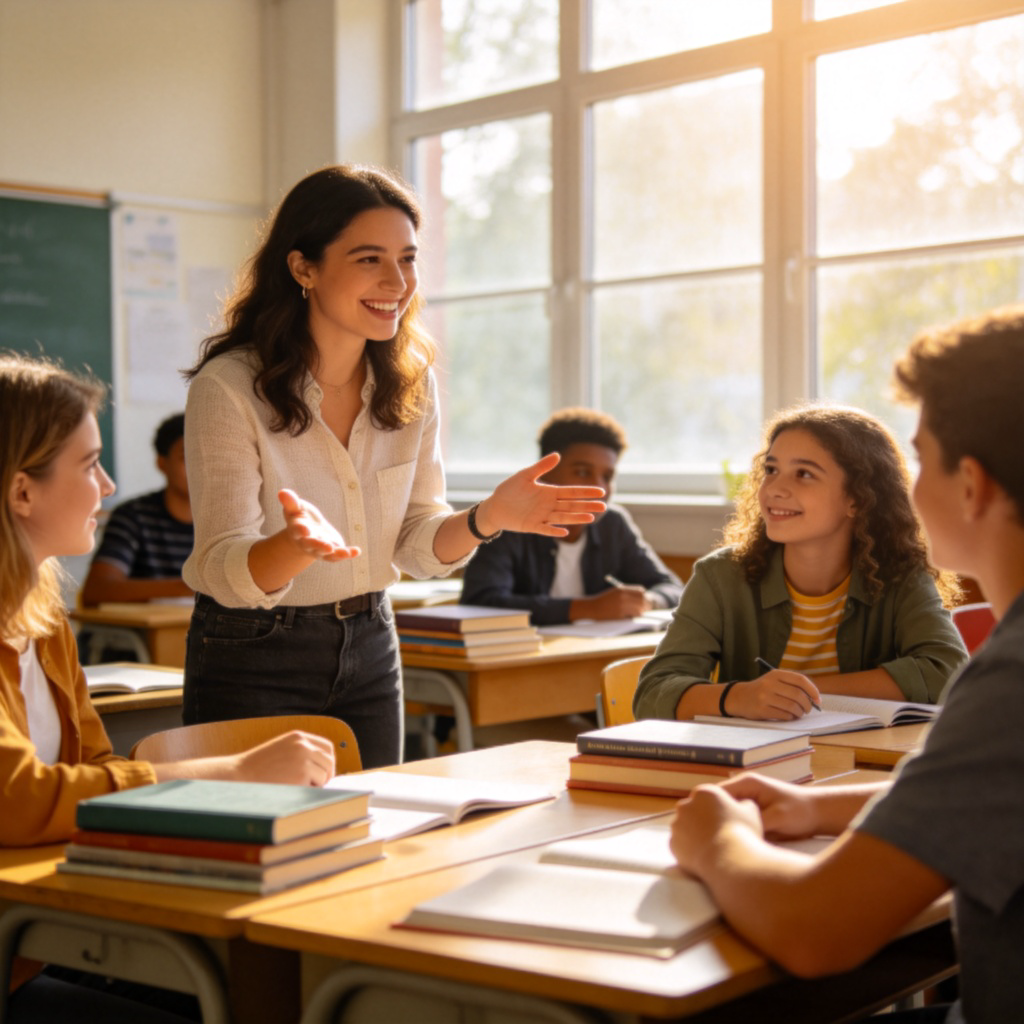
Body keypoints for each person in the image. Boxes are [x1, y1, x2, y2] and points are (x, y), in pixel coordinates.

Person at [181, 165, 605, 769]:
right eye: (368, 259)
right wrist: (293, 549)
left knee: (378, 832)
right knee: (257, 841)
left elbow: (413, 542)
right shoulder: (228, 388)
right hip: (253, 648)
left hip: (372, 639)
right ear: (303, 268)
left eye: (407, 259)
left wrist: (487, 518)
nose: (396, 282)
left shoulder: (410, 383)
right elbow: (222, 566)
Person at [668, 305, 1024, 1024]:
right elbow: (992, 800)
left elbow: (813, 929)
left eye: (921, 458)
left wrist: (718, 841)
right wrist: (817, 805)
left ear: (972, 485)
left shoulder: (1010, 686)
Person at [0, 353, 336, 1021]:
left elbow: (94, 765)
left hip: (38, 932)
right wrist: (229, 774)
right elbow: (14, 802)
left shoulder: (41, 616)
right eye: (89, 463)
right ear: (22, 493)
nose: (108, 483)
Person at [634, 403, 966, 722]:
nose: (775, 488)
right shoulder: (719, 576)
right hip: (753, 764)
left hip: (866, 762)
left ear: (857, 499)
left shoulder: (903, 575)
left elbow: (947, 671)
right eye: (771, 470)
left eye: (804, 474)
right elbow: (653, 693)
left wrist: (799, 693)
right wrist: (739, 698)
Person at [460, 407, 683, 625]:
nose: (600, 488)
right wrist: (588, 608)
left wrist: (647, 601)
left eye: (607, 476)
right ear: (544, 473)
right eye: (583, 472)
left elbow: (672, 588)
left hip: (589, 654)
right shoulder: (507, 520)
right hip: (517, 656)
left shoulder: (613, 524)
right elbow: (479, 601)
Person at [80, 413, 193, 607]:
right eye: (187, 457)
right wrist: (187, 588)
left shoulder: (230, 519)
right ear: (162, 463)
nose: (199, 468)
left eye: (210, 458)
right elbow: (97, 589)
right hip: (146, 635)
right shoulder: (133, 516)